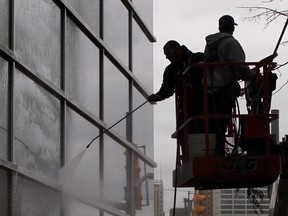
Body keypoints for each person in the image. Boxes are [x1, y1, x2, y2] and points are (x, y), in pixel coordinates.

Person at [204, 15, 255, 156]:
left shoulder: (210, 45)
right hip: (223, 90)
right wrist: (252, 75)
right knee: (222, 122)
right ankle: (219, 152)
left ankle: (215, 150)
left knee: (214, 124)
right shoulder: (231, 43)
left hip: (209, 90)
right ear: (232, 28)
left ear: (219, 27)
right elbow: (240, 67)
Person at [149, 40, 204, 158]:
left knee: (203, 130)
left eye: (168, 53)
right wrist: (158, 96)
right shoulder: (170, 70)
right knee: (184, 133)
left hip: (204, 104)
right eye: (165, 54)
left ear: (178, 49)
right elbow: (167, 89)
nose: (167, 57)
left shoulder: (197, 58)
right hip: (186, 108)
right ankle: (187, 156)